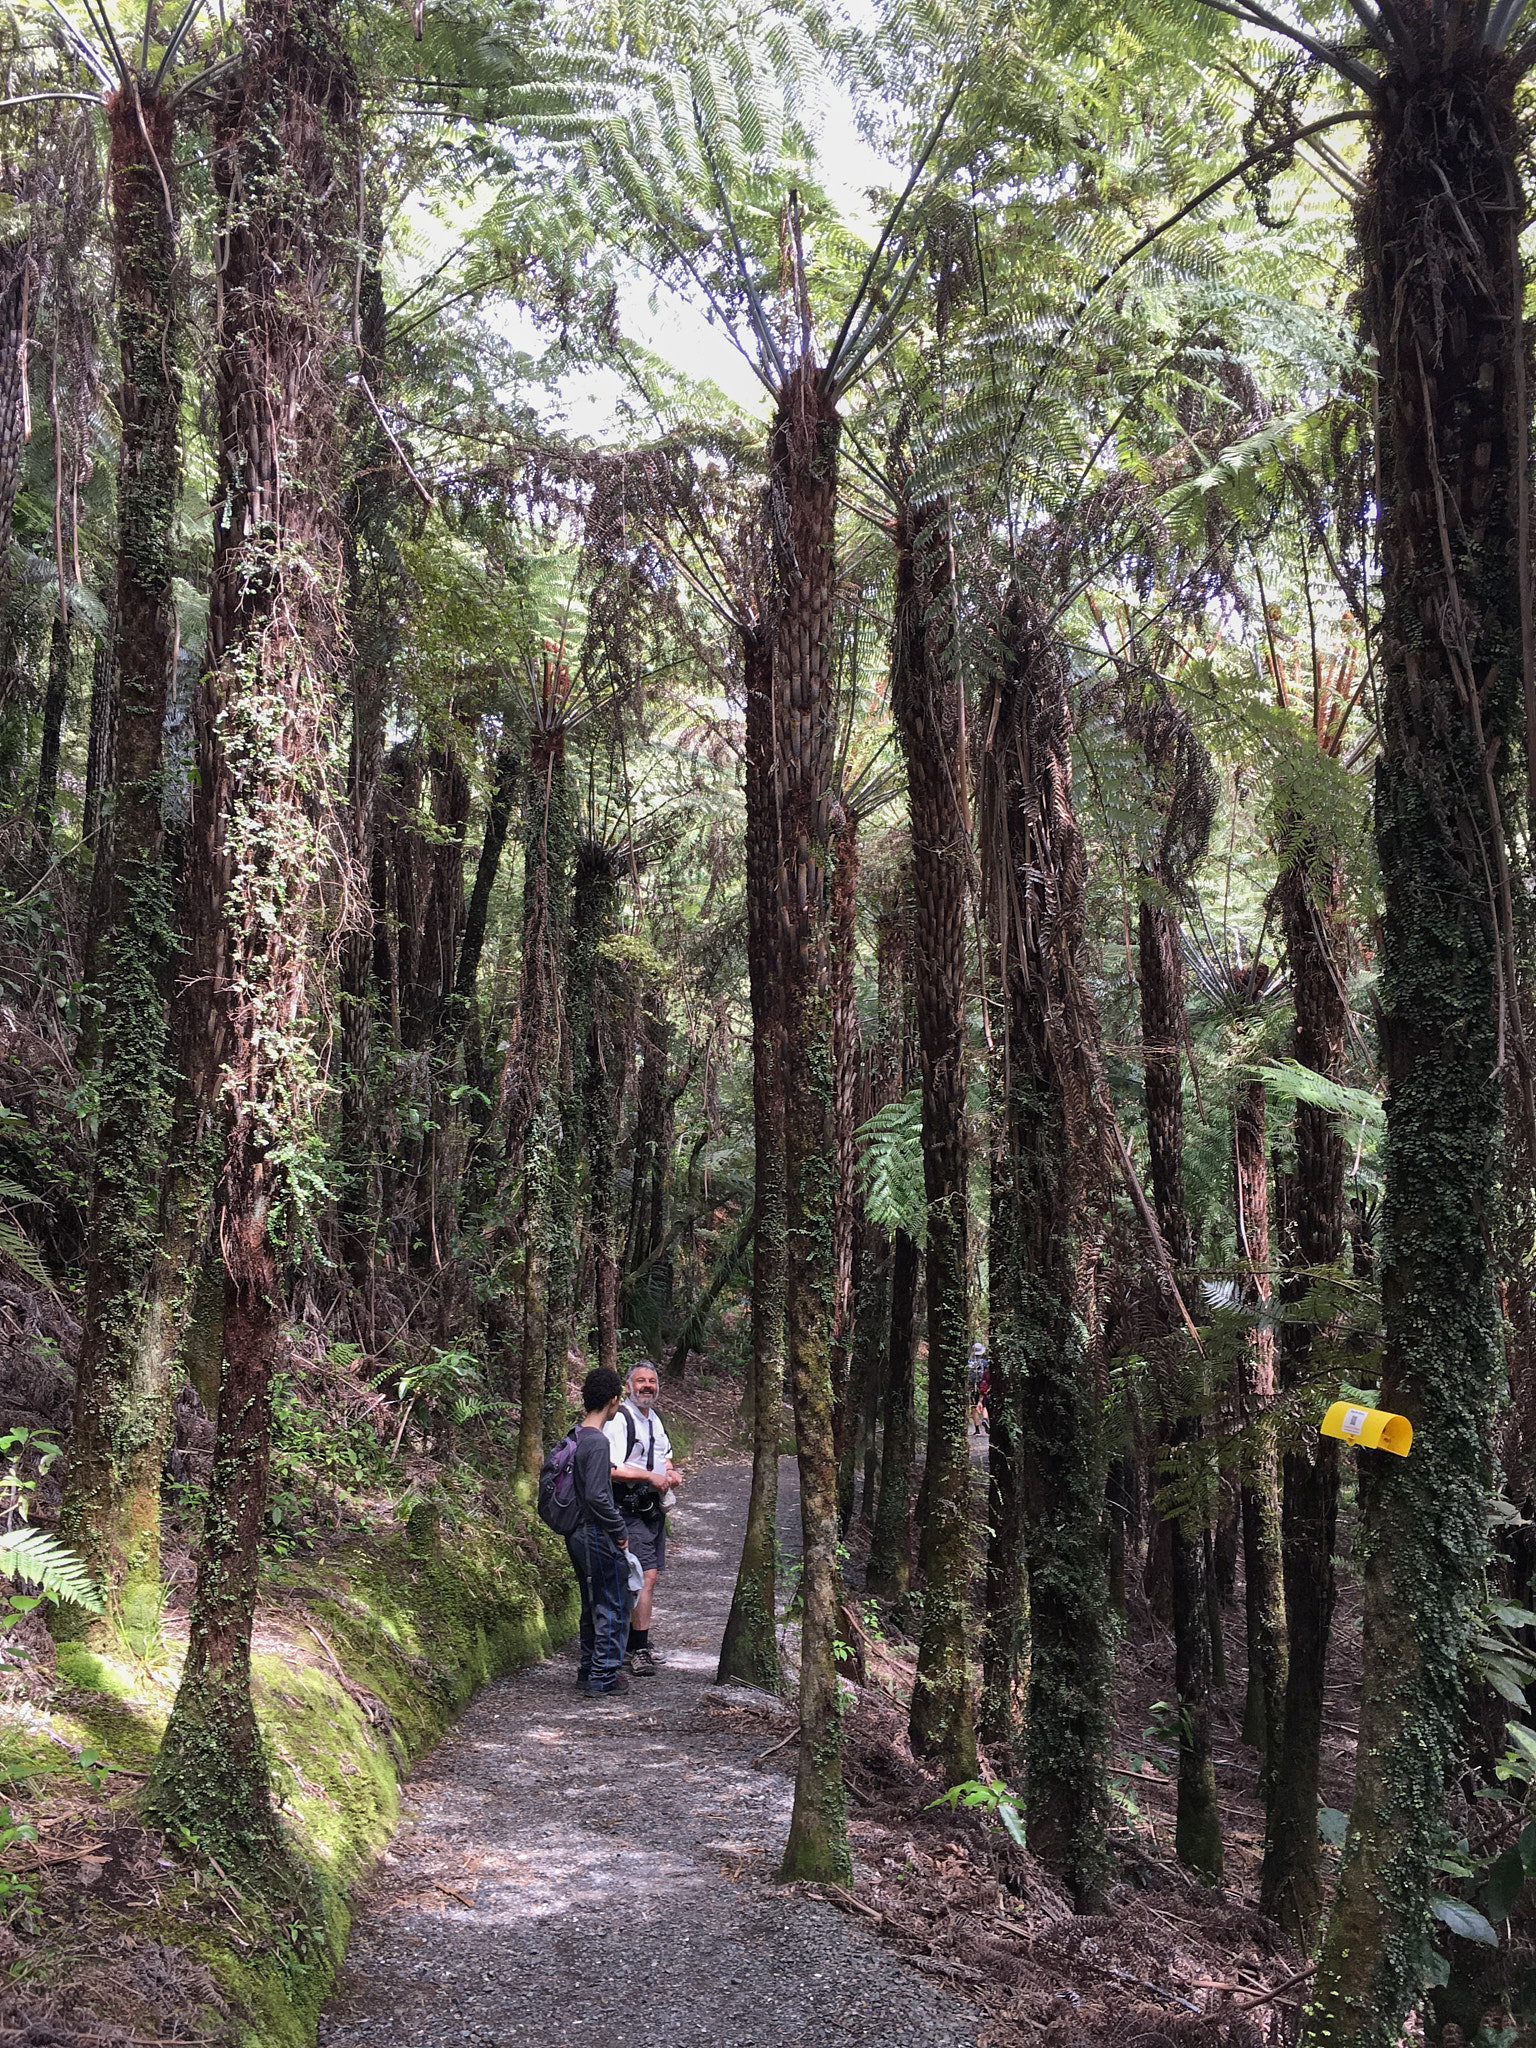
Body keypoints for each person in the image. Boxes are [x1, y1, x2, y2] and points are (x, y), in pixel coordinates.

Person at [605, 1360, 681, 1676]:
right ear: (628, 1386)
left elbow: (665, 1455)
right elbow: (611, 1467)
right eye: (640, 1381)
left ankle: (636, 1643)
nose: (647, 1385)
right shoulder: (620, 1419)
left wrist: (670, 1472)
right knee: (645, 1575)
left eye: (651, 1380)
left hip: (652, 1510)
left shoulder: (654, 1419)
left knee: (647, 1576)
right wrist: (651, 1477)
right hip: (627, 1508)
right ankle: (636, 1650)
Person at [567, 1365, 633, 1697]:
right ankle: (604, 1676)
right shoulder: (598, 1442)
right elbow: (596, 1495)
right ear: (613, 1400)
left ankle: (587, 1670)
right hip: (594, 1531)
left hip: (576, 1533)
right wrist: (619, 1530)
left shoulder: (574, 1435)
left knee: (591, 1601)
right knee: (613, 1602)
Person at [969, 1339, 988, 1435]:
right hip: (982, 1386)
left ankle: (977, 1430)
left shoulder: (969, 1363)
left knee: (973, 1407)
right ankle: (985, 1419)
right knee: (984, 1405)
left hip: (972, 1386)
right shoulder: (985, 1362)